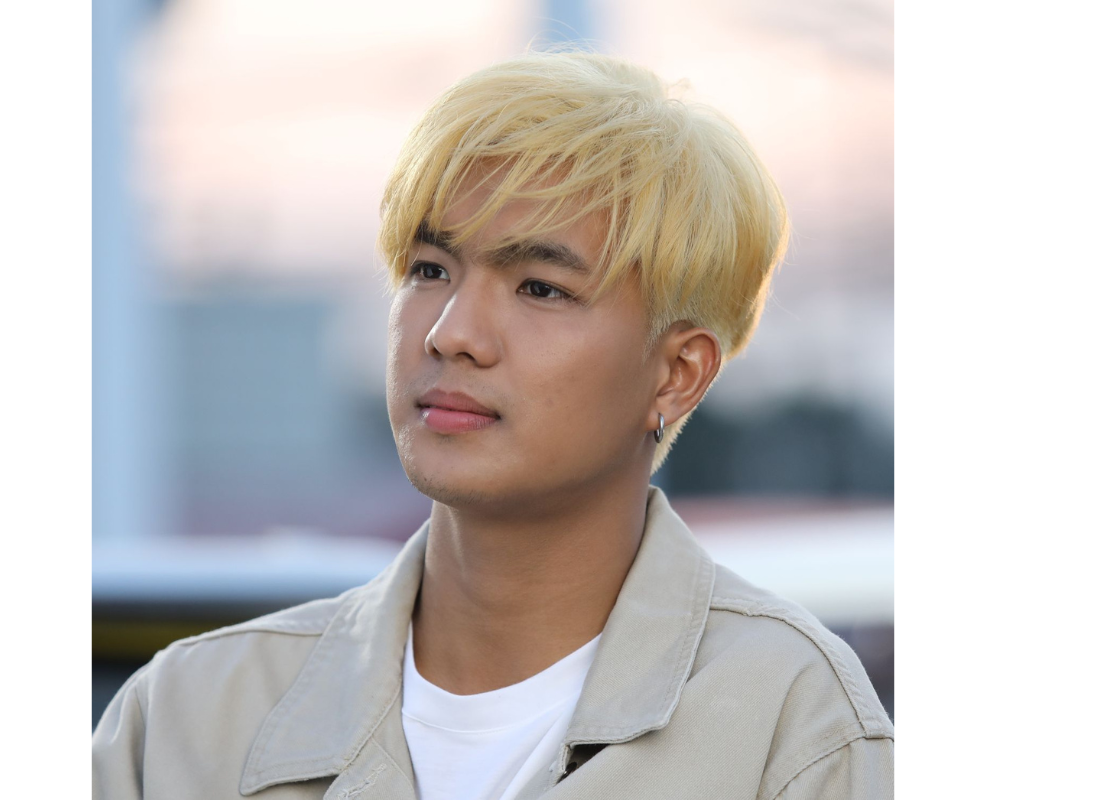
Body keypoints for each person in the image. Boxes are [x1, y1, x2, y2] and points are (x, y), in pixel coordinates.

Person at [93, 51, 893, 799]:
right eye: (429, 270)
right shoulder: (186, 720)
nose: (451, 333)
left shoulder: (795, 730)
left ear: (678, 373)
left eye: (540, 287)